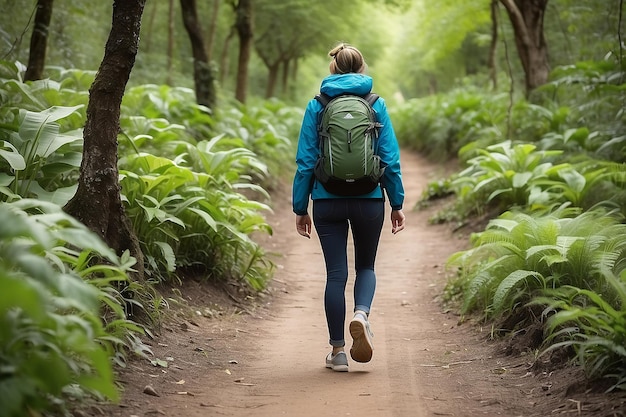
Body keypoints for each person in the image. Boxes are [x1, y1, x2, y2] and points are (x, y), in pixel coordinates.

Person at [292, 43, 406, 372]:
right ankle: (361, 314)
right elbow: (390, 159)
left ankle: (338, 352)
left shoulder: (317, 105)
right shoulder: (375, 104)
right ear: (362, 68)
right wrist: (396, 202)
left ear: (333, 69)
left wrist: (301, 207)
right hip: (370, 199)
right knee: (366, 267)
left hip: (327, 201)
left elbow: (305, 161)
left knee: (335, 275)